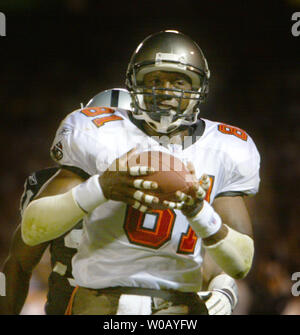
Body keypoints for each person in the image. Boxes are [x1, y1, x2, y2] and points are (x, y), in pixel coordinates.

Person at [20, 30, 260, 315]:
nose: (166, 91)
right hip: (100, 301)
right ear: (134, 83)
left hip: (178, 305)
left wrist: (198, 211)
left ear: (199, 87)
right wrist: (101, 187)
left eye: (178, 81)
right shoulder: (98, 131)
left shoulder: (226, 146)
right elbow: (32, 230)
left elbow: (241, 262)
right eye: (155, 80)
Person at [0, 87, 238, 315]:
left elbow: (204, 262)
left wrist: (225, 286)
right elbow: (17, 264)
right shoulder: (55, 185)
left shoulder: (166, 187)